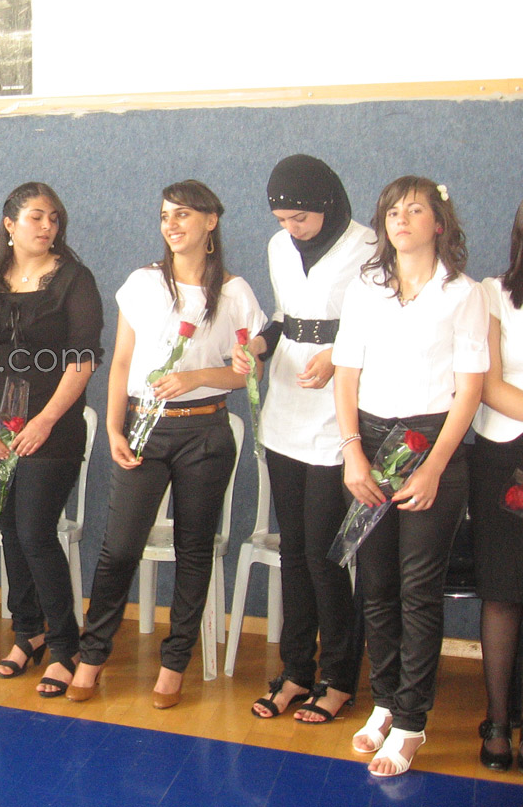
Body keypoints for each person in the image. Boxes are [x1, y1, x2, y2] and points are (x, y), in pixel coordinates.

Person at [66, 180, 264, 707]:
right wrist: (114, 428)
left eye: (183, 214)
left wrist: (197, 377)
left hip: (205, 433)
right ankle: (92, 655)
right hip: (144, 429)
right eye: (164, 216)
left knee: (193, 550)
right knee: (119, 548)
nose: (171, 225)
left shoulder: (236, 293)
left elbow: (247, 373)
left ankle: (175, 663)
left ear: (211, 221)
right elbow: (121, 363)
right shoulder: (143, 283)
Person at [333, 176, 486, 777]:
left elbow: (469, 390)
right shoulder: (365, 288)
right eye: (392, 210)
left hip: (431, 445)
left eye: (414, 209)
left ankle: (412, 722)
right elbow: (346, 373)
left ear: (438, 224)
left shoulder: (463, 293)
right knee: (376, 586)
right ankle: (385, 702)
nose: (401, 219)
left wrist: (436, 467)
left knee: (418, 591)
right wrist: (353, 453)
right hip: (370, 444)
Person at [232, 156, 374, 723]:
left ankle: (337, 676)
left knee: (324, 555)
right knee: (292, 550)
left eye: (301, 219)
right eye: (283, 220)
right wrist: (258, 347)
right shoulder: (277, 247)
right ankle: (295, 671)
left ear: (328, 205)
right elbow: (284, 318)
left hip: (339, 413)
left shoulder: (368, 247)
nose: (292, 229)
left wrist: (337, 355)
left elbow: (380, 327)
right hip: (287, 407)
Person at [0, 182, 102, 696]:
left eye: (54, 218)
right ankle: (28, 631)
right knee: (10, 530)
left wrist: (44, 421)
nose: (47, 226)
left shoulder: (74, 279)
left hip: (50, 432)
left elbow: (84, 359)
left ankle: (65, 645)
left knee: (35, 532)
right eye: (37, 217)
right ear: (9, 224)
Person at [466, 196, 523, 771]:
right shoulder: (493, 294)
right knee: (504, 591)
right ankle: (499, 721)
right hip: (506, 454)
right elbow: (488, 384)